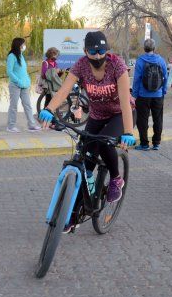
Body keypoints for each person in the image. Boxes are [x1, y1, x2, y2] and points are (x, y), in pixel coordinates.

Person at [39, 31, 135, 209]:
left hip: (119, 115)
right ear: (85, 51)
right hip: (97, 115)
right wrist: (49, 109)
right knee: (85, 162)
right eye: (93, 52)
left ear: (107, 50)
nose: (98, 56)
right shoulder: (81, 65)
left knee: (105, 143)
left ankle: (116, 179)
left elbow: (125, 102)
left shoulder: (117, 66)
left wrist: (128, 131)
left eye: (101, 52)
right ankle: (71, 215)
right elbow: (63, 91)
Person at [131, 39, 169, 151]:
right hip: (158, 95)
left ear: (144, 48)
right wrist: (163, 90)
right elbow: (165, 77)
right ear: (154, 48)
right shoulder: (161, 60)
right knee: (158, 119)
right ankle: (156, 143)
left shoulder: (140, 60)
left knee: (142, 120)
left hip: (143, 95)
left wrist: (134, 94)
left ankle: (144, 144)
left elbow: (137, 79)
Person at [6, 37, 41, 133]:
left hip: (24, 86)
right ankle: (11, 126)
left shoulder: (21, 55)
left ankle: (31, 125)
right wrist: (18, 81)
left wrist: (27, 80)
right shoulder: (11, 56)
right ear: (18, 45)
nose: (24, 46)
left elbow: (23, 71)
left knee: (27, 105)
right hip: (15, 85)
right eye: (23, 44)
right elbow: (9, 72)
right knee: (13, 106)